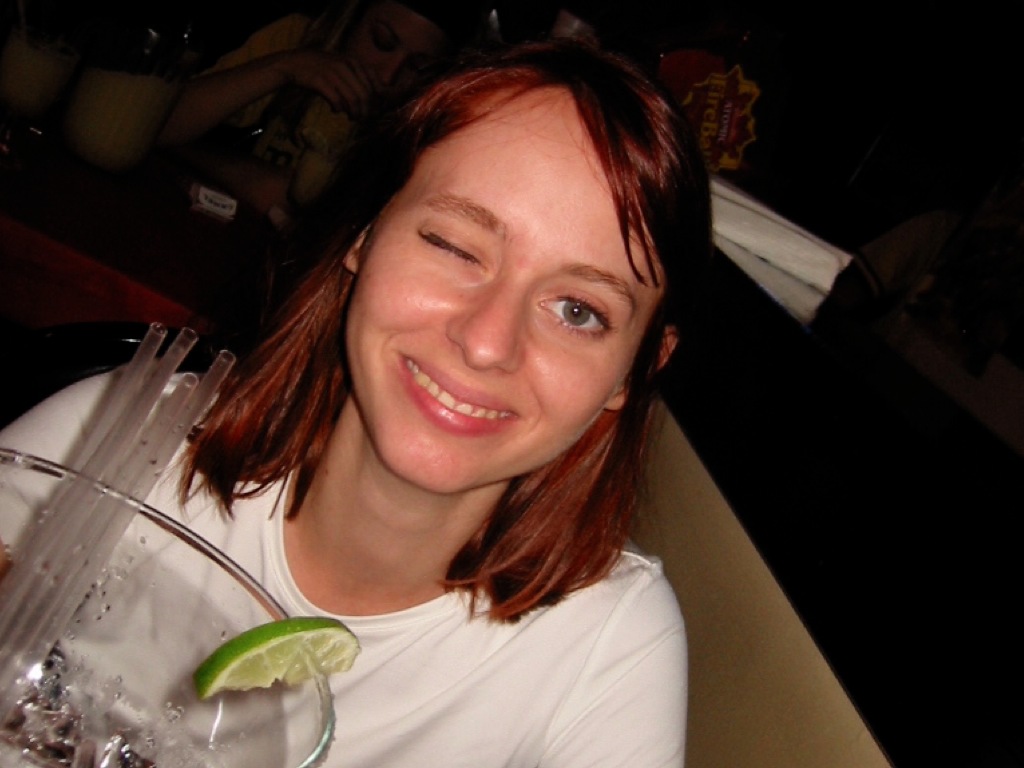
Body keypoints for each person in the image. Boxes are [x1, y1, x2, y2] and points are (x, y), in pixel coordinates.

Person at [1, 38, 712, 766]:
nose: (486, 342)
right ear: (365, 236)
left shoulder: (607, 654)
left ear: (634, 371)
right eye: (454, 245)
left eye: (577, 310)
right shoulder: (120, 440)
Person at [156, 0, 486, 223]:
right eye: (382, 41)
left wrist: (188, 151)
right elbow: (160, 123)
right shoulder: (297, 39)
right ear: (351, 20)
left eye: (417, 66)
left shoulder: (424, 129)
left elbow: (296, 205)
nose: (388, 76)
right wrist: (284, 68)